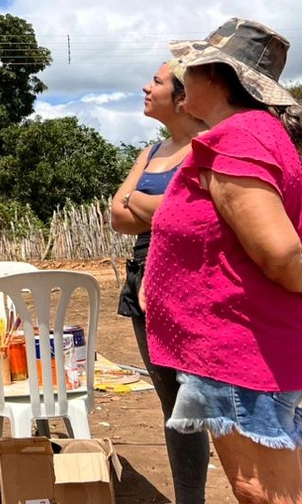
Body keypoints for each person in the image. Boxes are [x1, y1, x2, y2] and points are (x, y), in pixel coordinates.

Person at [144, 19, 302, 504]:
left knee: (262, 491)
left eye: (191, 68)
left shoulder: (239, 136)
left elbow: (275, 249)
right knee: (285, 490)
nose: (182, 77)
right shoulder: (246, 134)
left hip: (239, 349)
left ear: (218, 77)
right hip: (239, 349)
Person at [110, 62, 209, 504]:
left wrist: (140, 200)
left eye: (157, 82)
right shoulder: (150, 152)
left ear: (184, 97)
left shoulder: (208, 148)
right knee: (174, 405)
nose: (145, 87)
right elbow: (118, 216)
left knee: (205, 399)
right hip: (143, 281)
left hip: (193, 281)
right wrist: (160, 204)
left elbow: (192, 216)